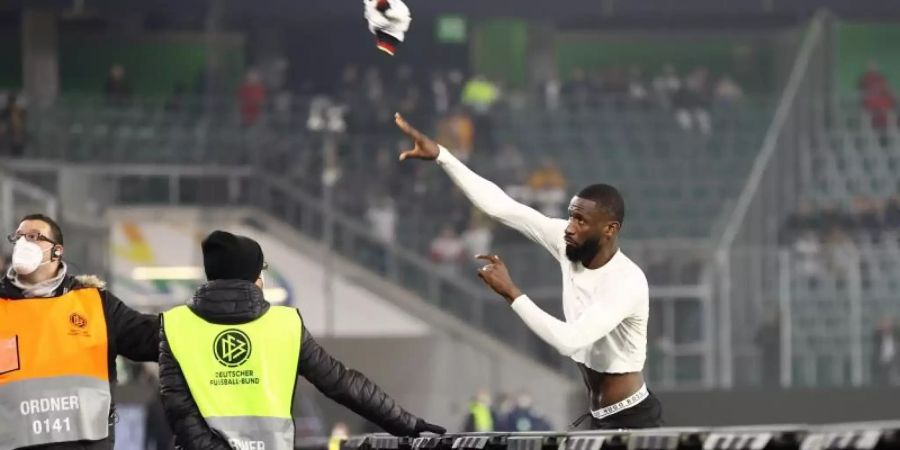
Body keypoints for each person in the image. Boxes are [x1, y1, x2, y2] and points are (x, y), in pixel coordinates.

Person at [394, 113, 662, 429]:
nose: (570, 227)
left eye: (581, 221)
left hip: (633, 419)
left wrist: (512, 292)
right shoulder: (566, 242)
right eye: (571, 216)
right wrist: (443, 156)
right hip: (600, 417)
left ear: (610, 229)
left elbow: (570, 341)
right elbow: (502, 207)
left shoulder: (625, 282)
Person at [159, 231, 444, 449]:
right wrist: (408, 424)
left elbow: (180, 412)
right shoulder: (285, 325)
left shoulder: (175, 326)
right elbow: (342, 384)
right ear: (254, 277)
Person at [0, 214, 160, 449]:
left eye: (34, 237)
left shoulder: (94, 303)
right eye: (19, 238)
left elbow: (148, 337)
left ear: (57, 251)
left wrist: (201, 321)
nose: (24, 243)